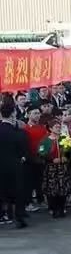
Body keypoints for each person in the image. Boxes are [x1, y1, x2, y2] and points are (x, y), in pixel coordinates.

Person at [0, 96, 30, 228]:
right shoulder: (18, 132)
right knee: (18, 191)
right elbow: (24, 150)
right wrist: (22, 157)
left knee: (2, 190)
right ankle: (19, 217)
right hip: (15, 165)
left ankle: (3, 214)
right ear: (13, 114)